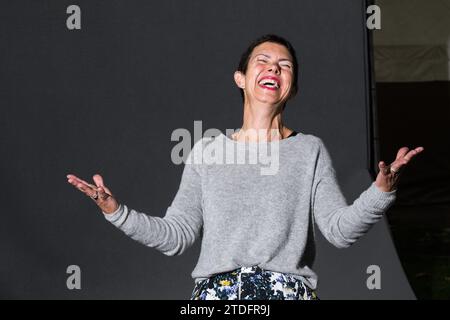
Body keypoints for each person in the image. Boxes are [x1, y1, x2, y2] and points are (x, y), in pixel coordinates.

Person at [66, 34, 424, 300]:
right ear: (240, 78)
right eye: (263, 61)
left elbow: (339, 230)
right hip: (216, 296)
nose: (274, 68)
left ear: (292, 88)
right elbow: (176, 237)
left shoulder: (309, 150)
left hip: (288, 292)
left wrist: (382, 191)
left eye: (284, 66)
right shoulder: (206, 151)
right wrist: (115, 211)